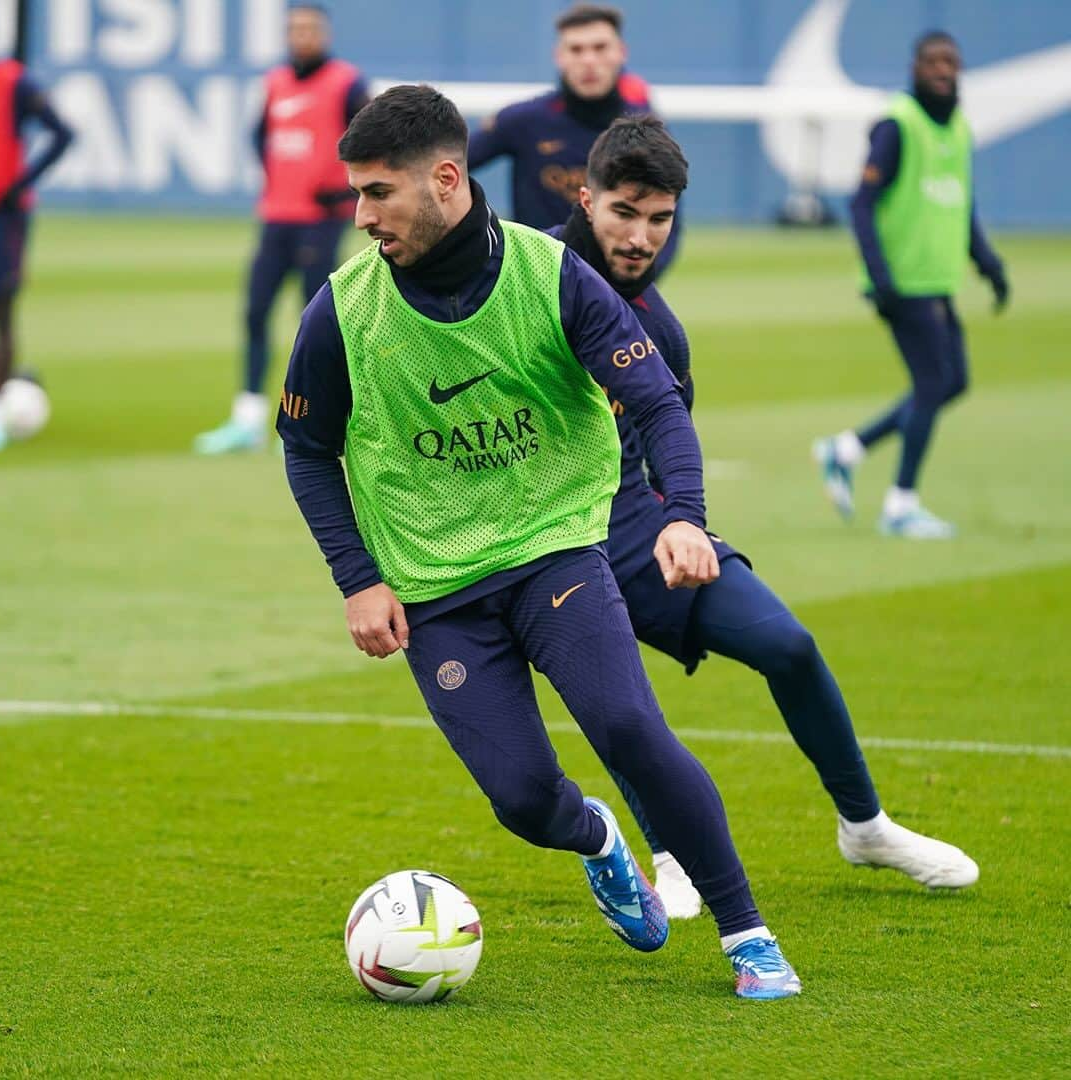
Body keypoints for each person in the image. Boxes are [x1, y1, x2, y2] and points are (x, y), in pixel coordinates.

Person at [278, 85, 801, 1000]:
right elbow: (307, 448)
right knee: (523, 800)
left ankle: (747, 933)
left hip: (555, 549)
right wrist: (357, 579)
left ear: (446, 180)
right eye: (355, 195)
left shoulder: (549, 275)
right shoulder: (341, 311)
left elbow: (656, 404)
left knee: (631, 728)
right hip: (435, 587)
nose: (360, 217)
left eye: (377, 194)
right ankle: (600, 840)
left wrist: (684, 514)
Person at [550, 115, 979, 917]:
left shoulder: (660, 330)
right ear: (587, 198)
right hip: (542, 541)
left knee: (788, 643)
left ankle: (866, 826)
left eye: (661, 219)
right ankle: (670, 856)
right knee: (622, 701)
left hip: (630, 524)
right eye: (625, 213)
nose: (643, 237)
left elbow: (666, 438)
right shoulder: (524, 283)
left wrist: (682, 518)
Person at [813, 31, 1008, 538]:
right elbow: (861, 203)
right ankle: (900, 505)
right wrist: (880, 278)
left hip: (937, 280)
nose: (943, 70)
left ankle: (846, 450)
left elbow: (961, 203)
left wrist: (987, 263)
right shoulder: (897, 125)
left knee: (953, 381)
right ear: (915, 67)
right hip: (902, 284)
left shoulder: (959, 128)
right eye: (933, 62)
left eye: (951, 62)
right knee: (931, 384)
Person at [195, 2, 369, 455]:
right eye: (295, 29)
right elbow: (259, 135)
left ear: (325, 33)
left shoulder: (347, 83)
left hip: (320, 222)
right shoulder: (275, 82)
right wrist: (279, 178)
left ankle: (317, 416)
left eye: (311, 28)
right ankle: (248, 419)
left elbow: (373, 141)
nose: (302, 36)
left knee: (314, 323)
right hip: (277, 217)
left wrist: (342, 192)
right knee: (255, 311)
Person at [467, 3, 681, 273]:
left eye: (600, 47)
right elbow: (447, 170)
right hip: (538, 284)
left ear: (620, 53)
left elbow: (669, 216)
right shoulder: (524, 121)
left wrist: (636, 283)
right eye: (577, 49)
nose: (589, 60)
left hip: (617, 288)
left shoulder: (645, 128)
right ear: (559, 56)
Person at [0, 51, 73, 451]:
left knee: (2, 310)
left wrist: (21, 184)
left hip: (1, 217)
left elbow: (63, 132)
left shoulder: (13, 82)